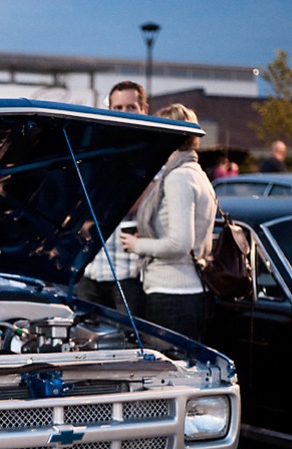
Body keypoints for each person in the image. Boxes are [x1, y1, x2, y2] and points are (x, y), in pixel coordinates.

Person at [120, 103, 217, 341]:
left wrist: (137, 245)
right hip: (189, 291)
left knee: (170, 372)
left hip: (172, 293)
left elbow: (180, 243)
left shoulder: (178, 178)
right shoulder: (196, 173)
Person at [75, 81, 148, 315]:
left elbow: (130, 203)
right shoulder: (97, 150)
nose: (124, 114)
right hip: (91, 269)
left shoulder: (153, 151)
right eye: (117, 108)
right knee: (85, 341)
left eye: (131, 107)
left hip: (127, 273)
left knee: (128, 344)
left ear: (144, 109)